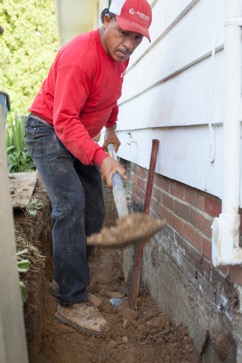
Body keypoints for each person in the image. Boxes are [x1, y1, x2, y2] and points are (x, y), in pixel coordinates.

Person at [24, 0, 152, 336]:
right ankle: (71, 300)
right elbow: (64, 120)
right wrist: (101, 157)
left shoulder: (118, 58)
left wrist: (111, 127)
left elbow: (110, 96)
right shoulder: (81, 57)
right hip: (47, 131)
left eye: (137, 39)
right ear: (107, 20)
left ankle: (68, 281)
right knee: (71, 205)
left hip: (79, 134)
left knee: (94, 212)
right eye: (124, 33)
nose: (129, 44)